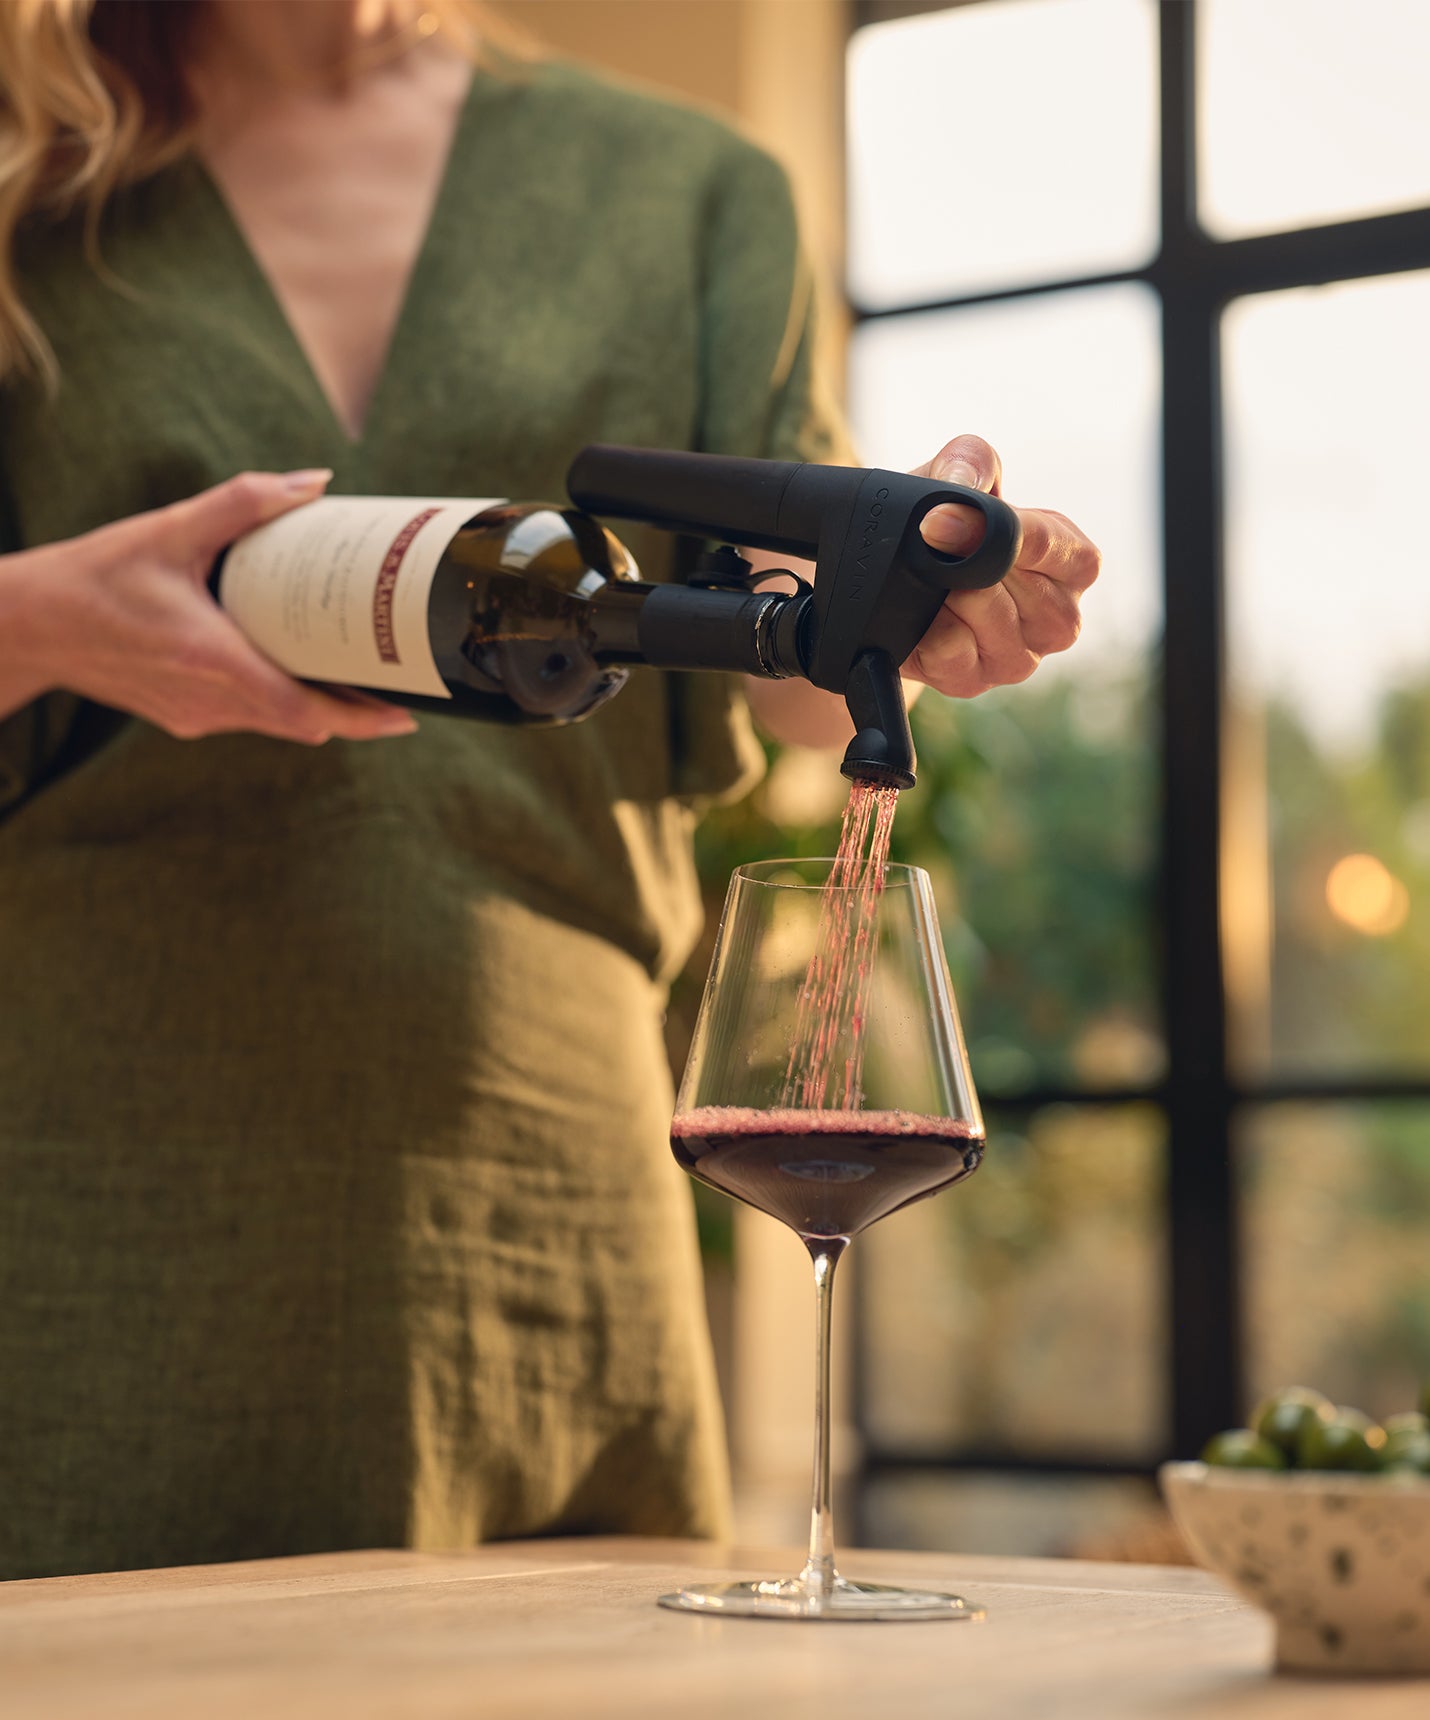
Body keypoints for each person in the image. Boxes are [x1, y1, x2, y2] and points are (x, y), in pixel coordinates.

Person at [0, 0, 1100, 1580]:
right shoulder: (29, 167)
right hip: (79, 1203)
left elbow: (794, 669)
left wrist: (899, 590)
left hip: (542, 1200)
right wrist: (37, 619)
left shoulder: (685, 186)